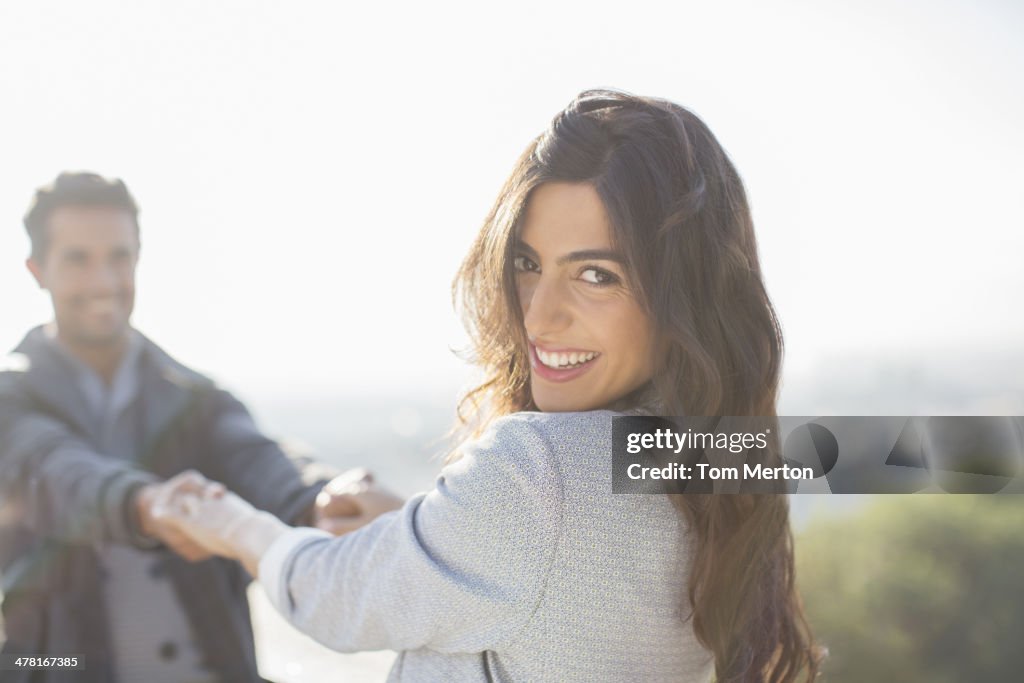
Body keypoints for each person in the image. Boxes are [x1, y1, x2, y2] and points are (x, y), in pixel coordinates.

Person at [155, 90, 823, 682]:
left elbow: (339, 596)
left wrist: (233, 525)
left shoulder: (535, 466)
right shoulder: (713, 455)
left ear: (686, 295)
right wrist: (422, 528)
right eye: (528, 264)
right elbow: (560, 572)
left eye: (596, 275)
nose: (537, 315)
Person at [0, 172, 398, 683]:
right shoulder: (10, 398)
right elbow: (55, 473)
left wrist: (324, 497)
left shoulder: (197, 398)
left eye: (119, 257)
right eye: (78, 259)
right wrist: (145, 505)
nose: (104, 280)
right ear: (37, 270)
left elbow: (261, 462)